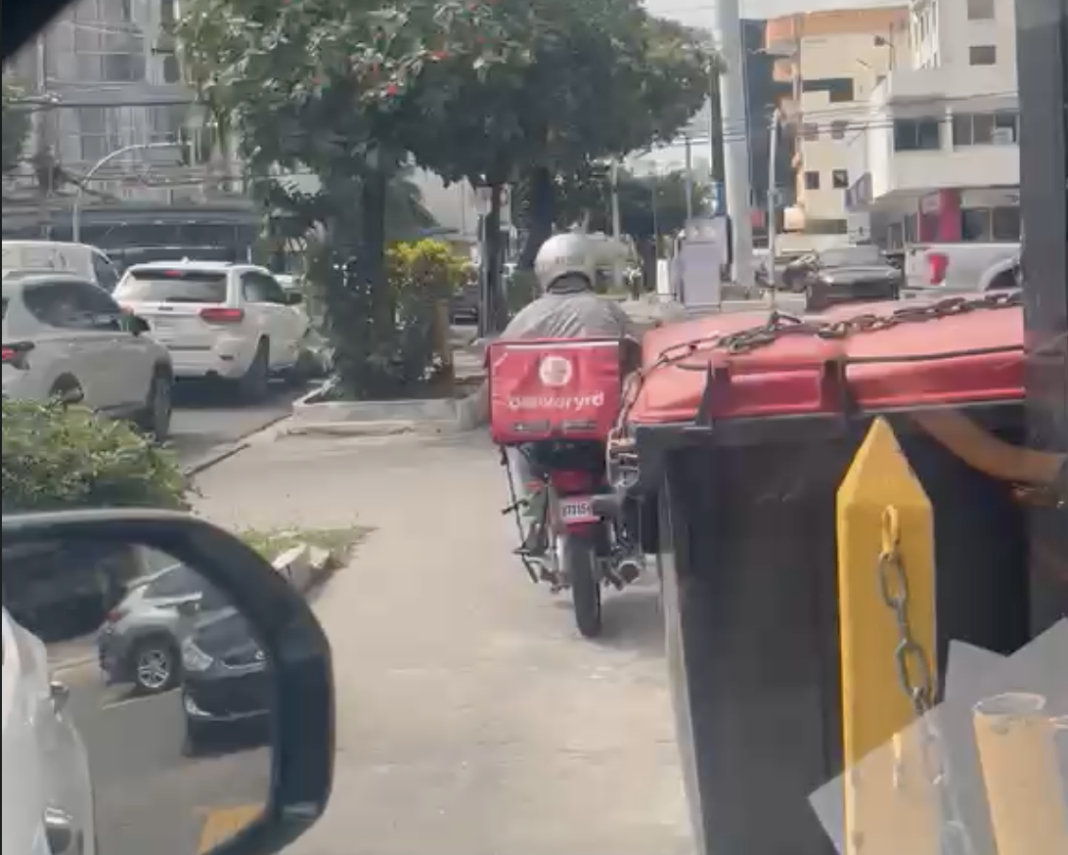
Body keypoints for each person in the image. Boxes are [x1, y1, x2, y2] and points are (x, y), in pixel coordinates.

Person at [475, 232, 641, 558]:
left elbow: (500, 373)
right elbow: (638, 356)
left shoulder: (524, 319)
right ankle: (630, 533)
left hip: (541, 430)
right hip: (599, 429)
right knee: (629, 459)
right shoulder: (608, 311)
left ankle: (535, 521)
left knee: (517, 452)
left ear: (544, 272)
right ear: (588, 267)